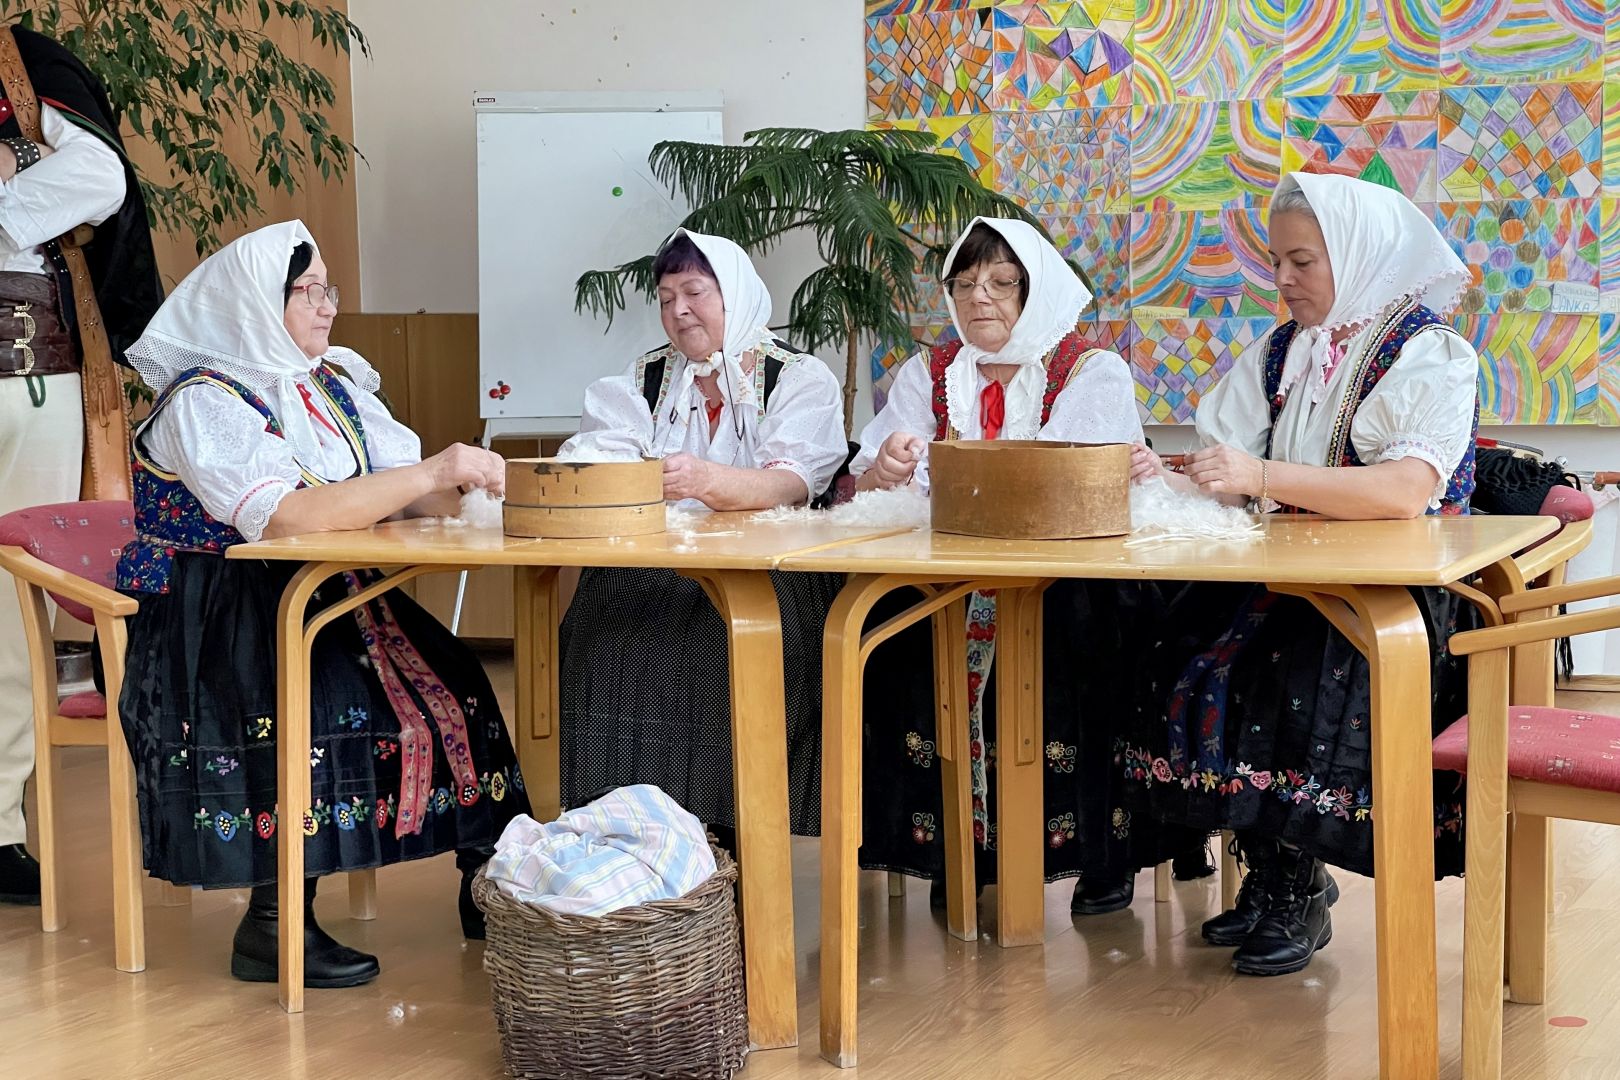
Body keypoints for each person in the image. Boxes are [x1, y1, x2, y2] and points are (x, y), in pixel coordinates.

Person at [114, 221, 529, 987]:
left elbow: (401, 488)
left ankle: (490, 886)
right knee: (319, 705)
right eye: (307, 291)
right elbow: (284, 517)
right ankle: (272, 925)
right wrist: (430, 472)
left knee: (457, 680)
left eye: (327, 289)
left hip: (323, 593)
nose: (328, 305)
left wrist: (476, 489)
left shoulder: (328, 385)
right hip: (218, 613)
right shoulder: (204, 401)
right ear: (254, 303)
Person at [1125, 172, 1480, 975]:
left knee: (1282, 675)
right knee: (1179, 646)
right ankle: (1274, 869)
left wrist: (1260, 476)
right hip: (1290, 581)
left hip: (1388, 596)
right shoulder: (1284, 351)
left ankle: (1296, 882)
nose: (1283, 280)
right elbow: (1234, 467)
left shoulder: (1428, 353)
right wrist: (1174, 476)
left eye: (1302, 262)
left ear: (1356, 255)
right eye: (1278, 261)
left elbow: (1403, 493)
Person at [852, 217, 1203, 914]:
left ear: (1035, 290)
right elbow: (869, 484)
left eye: (1001, 282)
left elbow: (1051, 484)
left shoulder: (1089, 370)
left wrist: (954, 481)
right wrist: (885, 469)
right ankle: (961, 849)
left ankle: (1104, 853)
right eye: (963, 284)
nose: (978, 297)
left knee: (1086, 638)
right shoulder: (930, 373)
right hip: (953, 575)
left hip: (1069, 574)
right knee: (895, 626)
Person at [556, 229, 846, 844]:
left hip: (768, 571)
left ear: (734, 295)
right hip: (655, 566)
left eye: (694, 292)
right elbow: (602, 457)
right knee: (598, 634)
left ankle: (729, 836)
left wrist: (709, 481)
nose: (679, 310)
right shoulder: (645, 378)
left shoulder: (796, 377)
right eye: (666, 299)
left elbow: (794, 482)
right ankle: (618, 832)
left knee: (723, 649)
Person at [0, 24, 162, 905]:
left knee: (8, 606)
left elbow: (100, 178)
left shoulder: (20, 63)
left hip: (28, 368)